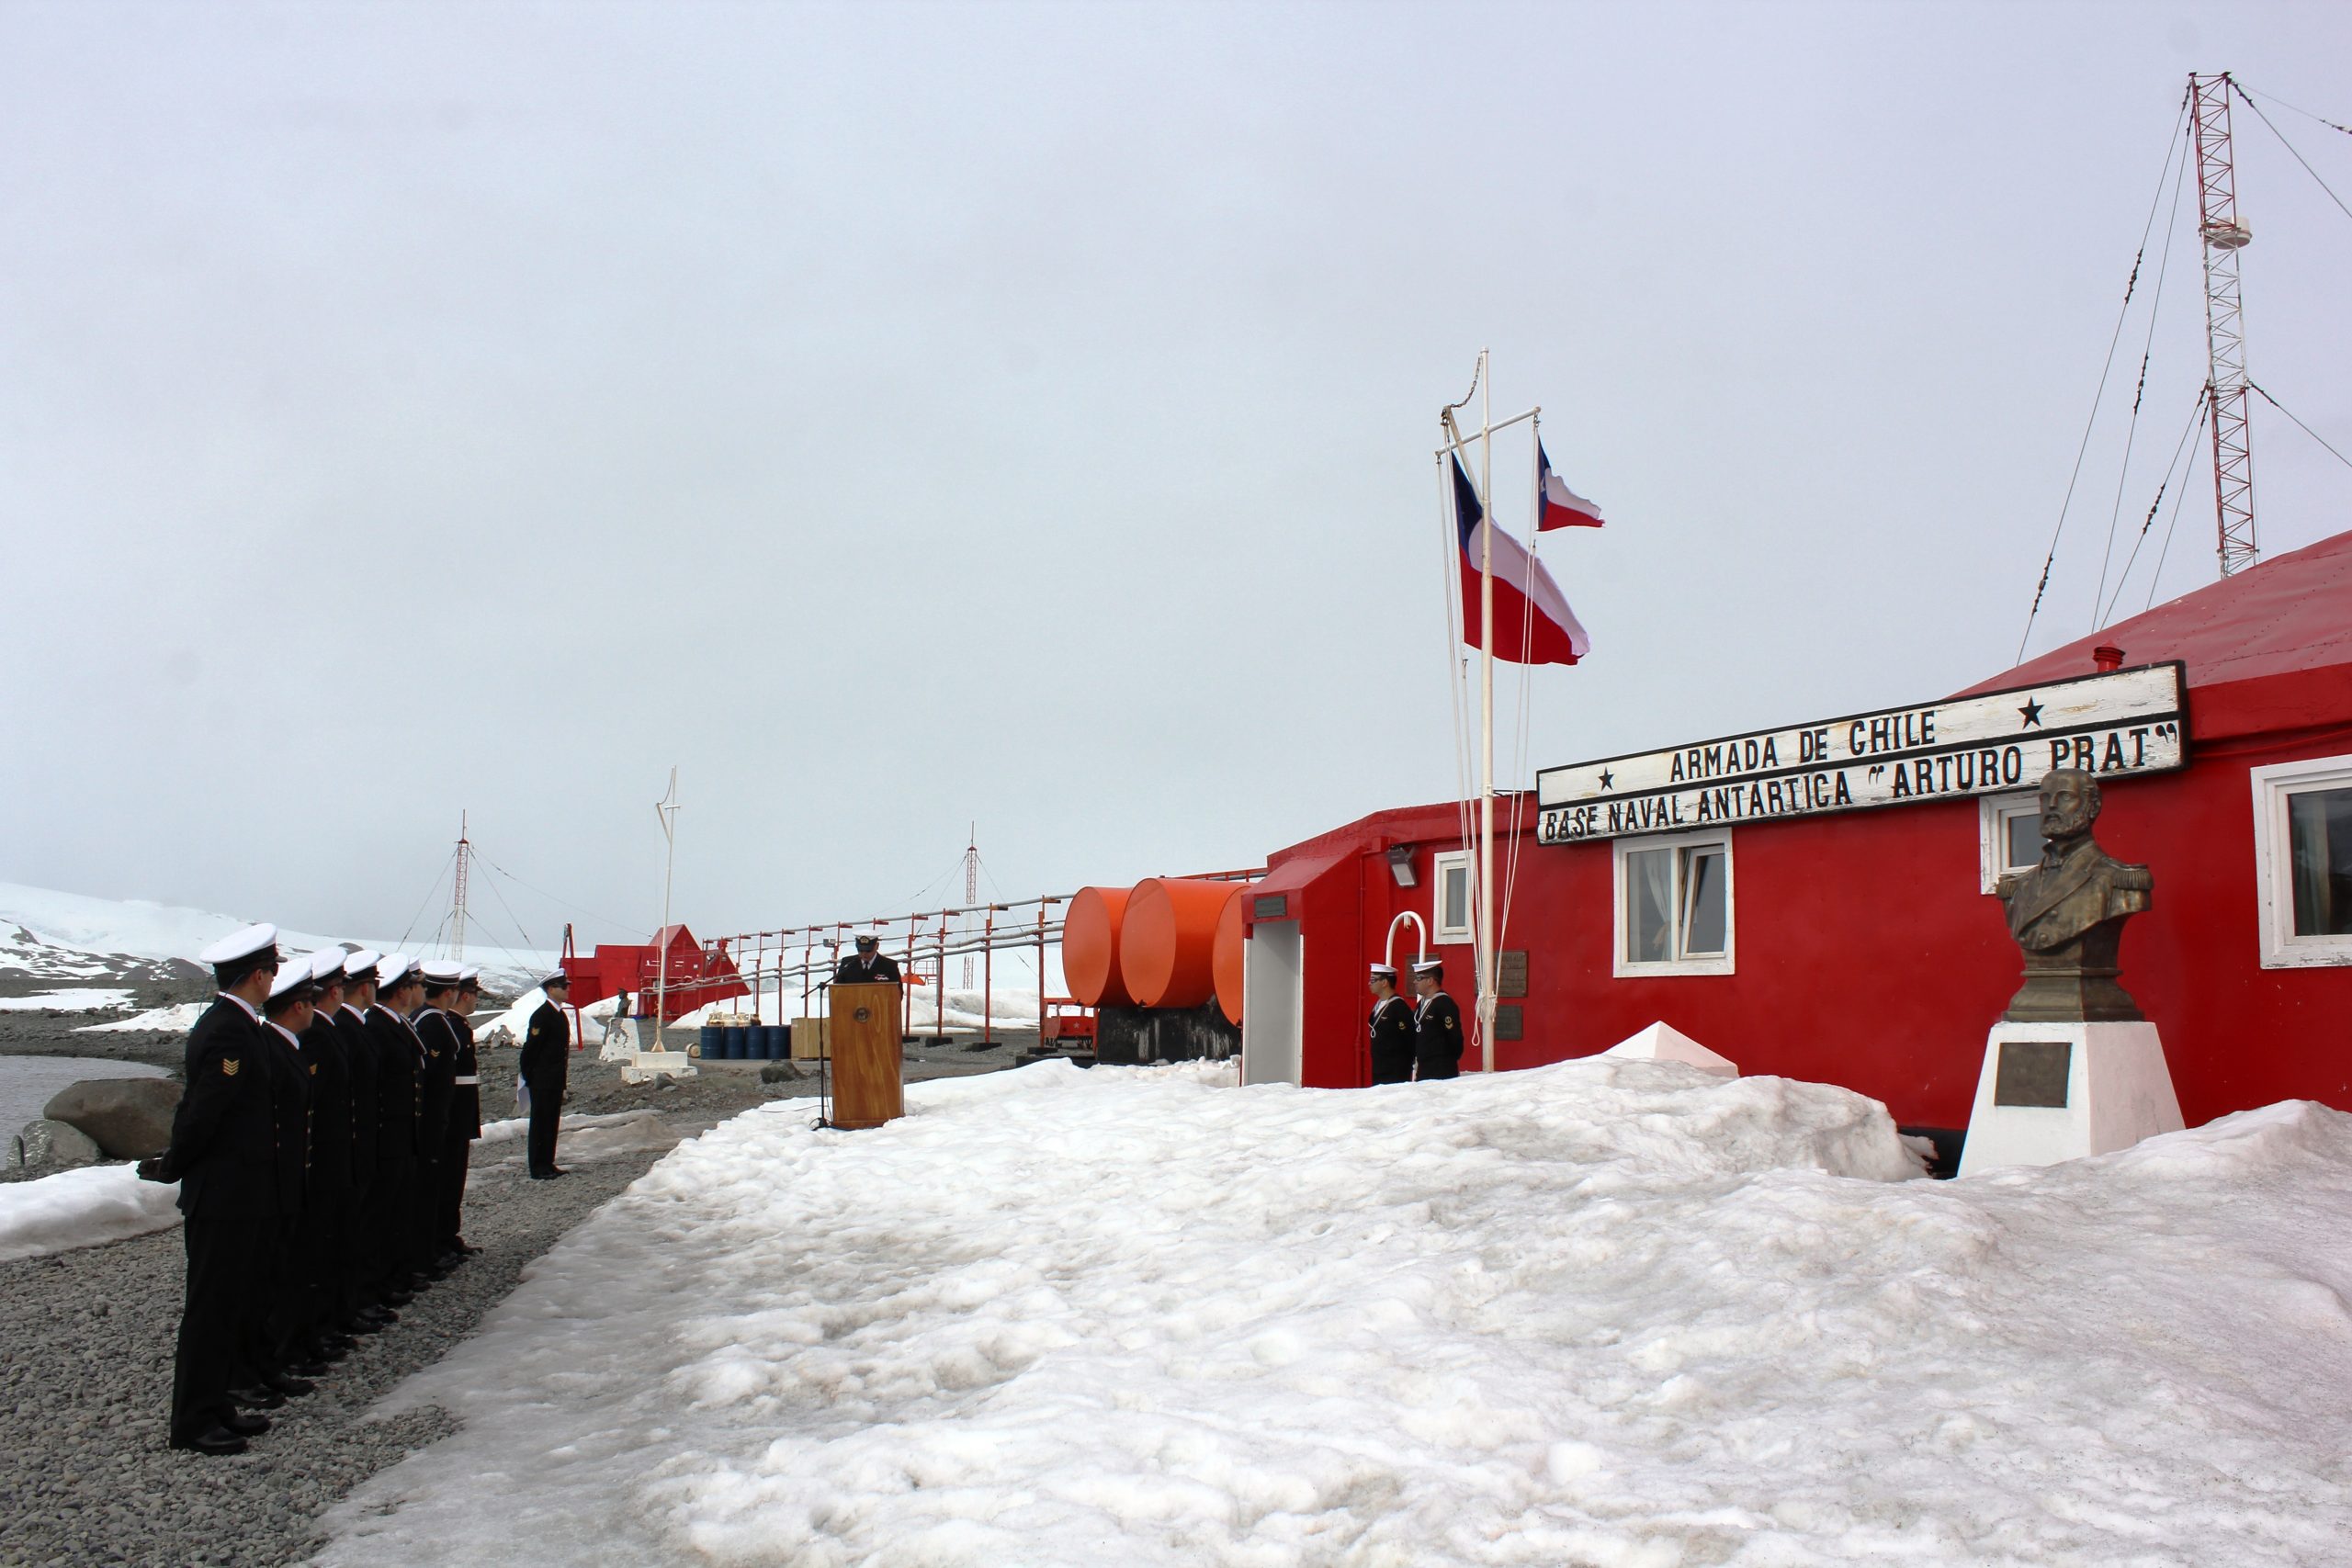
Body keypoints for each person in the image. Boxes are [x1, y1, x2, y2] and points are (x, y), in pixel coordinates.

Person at [147, 923, 281, 1455]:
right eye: (271, 970)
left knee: (229, 1304)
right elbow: (205, 1110)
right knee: (210, 1308)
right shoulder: (228, 1029)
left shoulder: (235, 1024)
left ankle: (217, 1405)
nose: (274, 979)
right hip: (224, 1193)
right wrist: (173, 1165)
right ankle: (193, 1422)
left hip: (239, 1191)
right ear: (257, 975)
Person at [253, 961, 324, 1395]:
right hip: (271, 1179)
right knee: (267, 1277)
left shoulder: (287, 1046)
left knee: (282, 1270)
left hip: (289, 1175)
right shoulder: (269, 1048)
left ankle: (272, 1358)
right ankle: (267, 1360)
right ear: (299, 1006)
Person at [294, 948, 356, 1367]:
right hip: (319, 1158)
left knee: (331, 1242)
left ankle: (325, 1323)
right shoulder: (317, 1034)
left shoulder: (329, 1029)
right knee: (314, 1249)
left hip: (335, 1153)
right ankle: (310, 1331)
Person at [334, 952, 393, 1334]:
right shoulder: (346, 1029)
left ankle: (359, 1298)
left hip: (363, 1141)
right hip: (349, 1145)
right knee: (352, 1227)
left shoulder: (356, 1027)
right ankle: (351, 1302)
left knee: (363, 1223)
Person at [365, 957, 426, 1306]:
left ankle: (394, 1275)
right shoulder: (378, 1027)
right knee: (382, 1214)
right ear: (403, 991)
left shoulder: (398, 1025)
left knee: (396, 1210)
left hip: (402, 1134)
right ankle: (380, 1282)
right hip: (388, 1135)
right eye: (415, 985)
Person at [409, 963, 465, 1280]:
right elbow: (429, 1079)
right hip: (429, 1122)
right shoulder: (432, 1024)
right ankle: (426, 1253)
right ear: (449, 992)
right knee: (429, 1190)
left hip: (434, 1120)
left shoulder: (433, 1021)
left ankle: (433, 1248)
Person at [440, 966, 484, 1263]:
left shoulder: (459, 1026)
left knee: (455, 1179)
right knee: (447, 1180)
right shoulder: (450, 1027)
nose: (476, 1001)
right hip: (452, 1116)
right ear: (464, 995)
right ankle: (442, 1237)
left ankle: (449, 1235)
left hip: (460, 1115)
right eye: (474, 995)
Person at [519, 973, 571, 1179]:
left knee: (551, 1122)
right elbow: (531, 1048)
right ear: (551, 989)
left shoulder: (559, 1014)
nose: (567, 989)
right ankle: (538, 1166)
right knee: (540, 1122)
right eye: (563, 986)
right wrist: (529, 1075)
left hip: (554, 1078)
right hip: (542, 1078)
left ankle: (548, 1162)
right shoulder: (542, 1015)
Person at [1410, 959, 1464, 1080]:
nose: (1414, 982)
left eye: (1419, 978)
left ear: (1430, 981)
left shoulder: (1445, 1003)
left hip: (1441, 1068)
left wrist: (1447, 1058)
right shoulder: (1421, 1004)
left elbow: (1455, 1037)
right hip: (1423, 1067)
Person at [1366, 964, 1415, 1084]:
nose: (1369, 983)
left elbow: (1410, 1037)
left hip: (1395, 1070)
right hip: (1379, 1066)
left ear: (1384, 983)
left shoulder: (1398, 1007)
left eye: (1373, 980)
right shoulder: (1378, 1005)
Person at [832, 931, 901, 984]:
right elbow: (838, 989)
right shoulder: (847, 963)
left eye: (868, 950)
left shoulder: (889, 965)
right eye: (860, 950)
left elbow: (897, 993)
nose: (864, 953)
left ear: (877, 946)